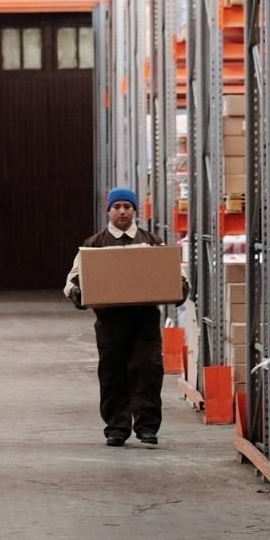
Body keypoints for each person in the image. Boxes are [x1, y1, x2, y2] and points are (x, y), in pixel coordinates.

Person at [64, 187, 170, 447]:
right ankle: (117, 428)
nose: (122, 211)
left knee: (148, 370)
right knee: (112, 373)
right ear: (108, 211)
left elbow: (173, 274)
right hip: (110, 322)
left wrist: (181, 287)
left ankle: (147, 427)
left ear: (134, 210)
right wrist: (78, 293)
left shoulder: (152, 242)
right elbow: (72, 280)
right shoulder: (93, 245)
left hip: (144, 320)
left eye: (127, 206)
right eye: (117, 207)